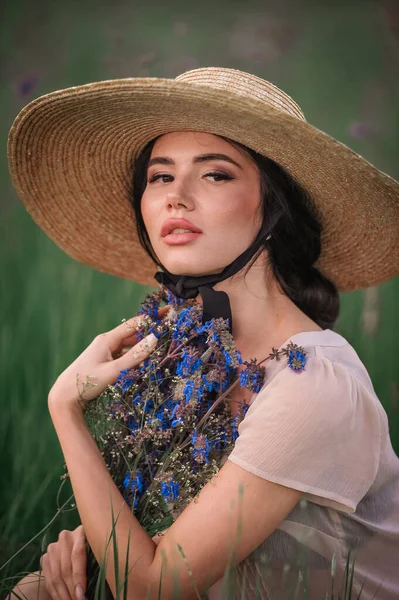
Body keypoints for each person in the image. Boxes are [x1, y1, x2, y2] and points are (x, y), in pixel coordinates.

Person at [7, 67, 399, 600]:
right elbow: (145, 541)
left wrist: (65, 408)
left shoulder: (315, 386)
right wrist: (89, 550)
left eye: (215, 174)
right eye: (160, 176)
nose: (177, 197)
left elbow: (146, 587)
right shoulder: (187, 355)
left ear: (275, 208)